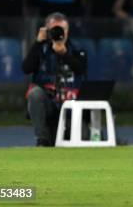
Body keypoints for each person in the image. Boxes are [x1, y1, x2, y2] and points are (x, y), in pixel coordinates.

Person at [21, 12, 87, 146]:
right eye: (54, 30)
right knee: (35, 94)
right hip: (49, 105)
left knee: (82, 139)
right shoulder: (40, 50)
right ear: (47, 31)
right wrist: (38, 42)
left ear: (68, 31)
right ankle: (42, 139)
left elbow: (81, 70)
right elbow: (26, 68)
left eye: (63, 29)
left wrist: (64, 54)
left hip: (71, 106)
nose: (59, 33)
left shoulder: (77, 50)